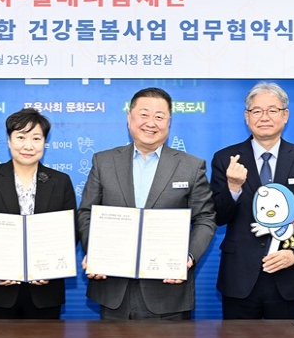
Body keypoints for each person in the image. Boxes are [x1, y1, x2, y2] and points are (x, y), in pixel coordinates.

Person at [78, 87, 216, 320]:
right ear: (129, 118)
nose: (151, 123)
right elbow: (86, 213)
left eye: (159, 116)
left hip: (167, 291)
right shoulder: (104, 161)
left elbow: (205, 218)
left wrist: (188, 257)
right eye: (144, 114)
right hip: (113, 287)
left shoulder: (191, 166)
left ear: (169, 122)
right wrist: (95, 252)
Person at [210, 81, 294, 319]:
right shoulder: (226, 158)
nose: (264, 117)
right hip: (240, 276)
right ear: (247, 116)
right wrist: (233, 187)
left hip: (289, 274)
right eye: (257, 111)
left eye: (272, 110)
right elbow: (218, 217)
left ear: (285, 115)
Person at [0, 108, 77, 319]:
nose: (28, 145)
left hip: (45, 291)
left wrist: (51, 269)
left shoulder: (60, 181)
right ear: (9, 140)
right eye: (21, 137)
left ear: (44, 142)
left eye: (36, 138)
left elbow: (71, 231)